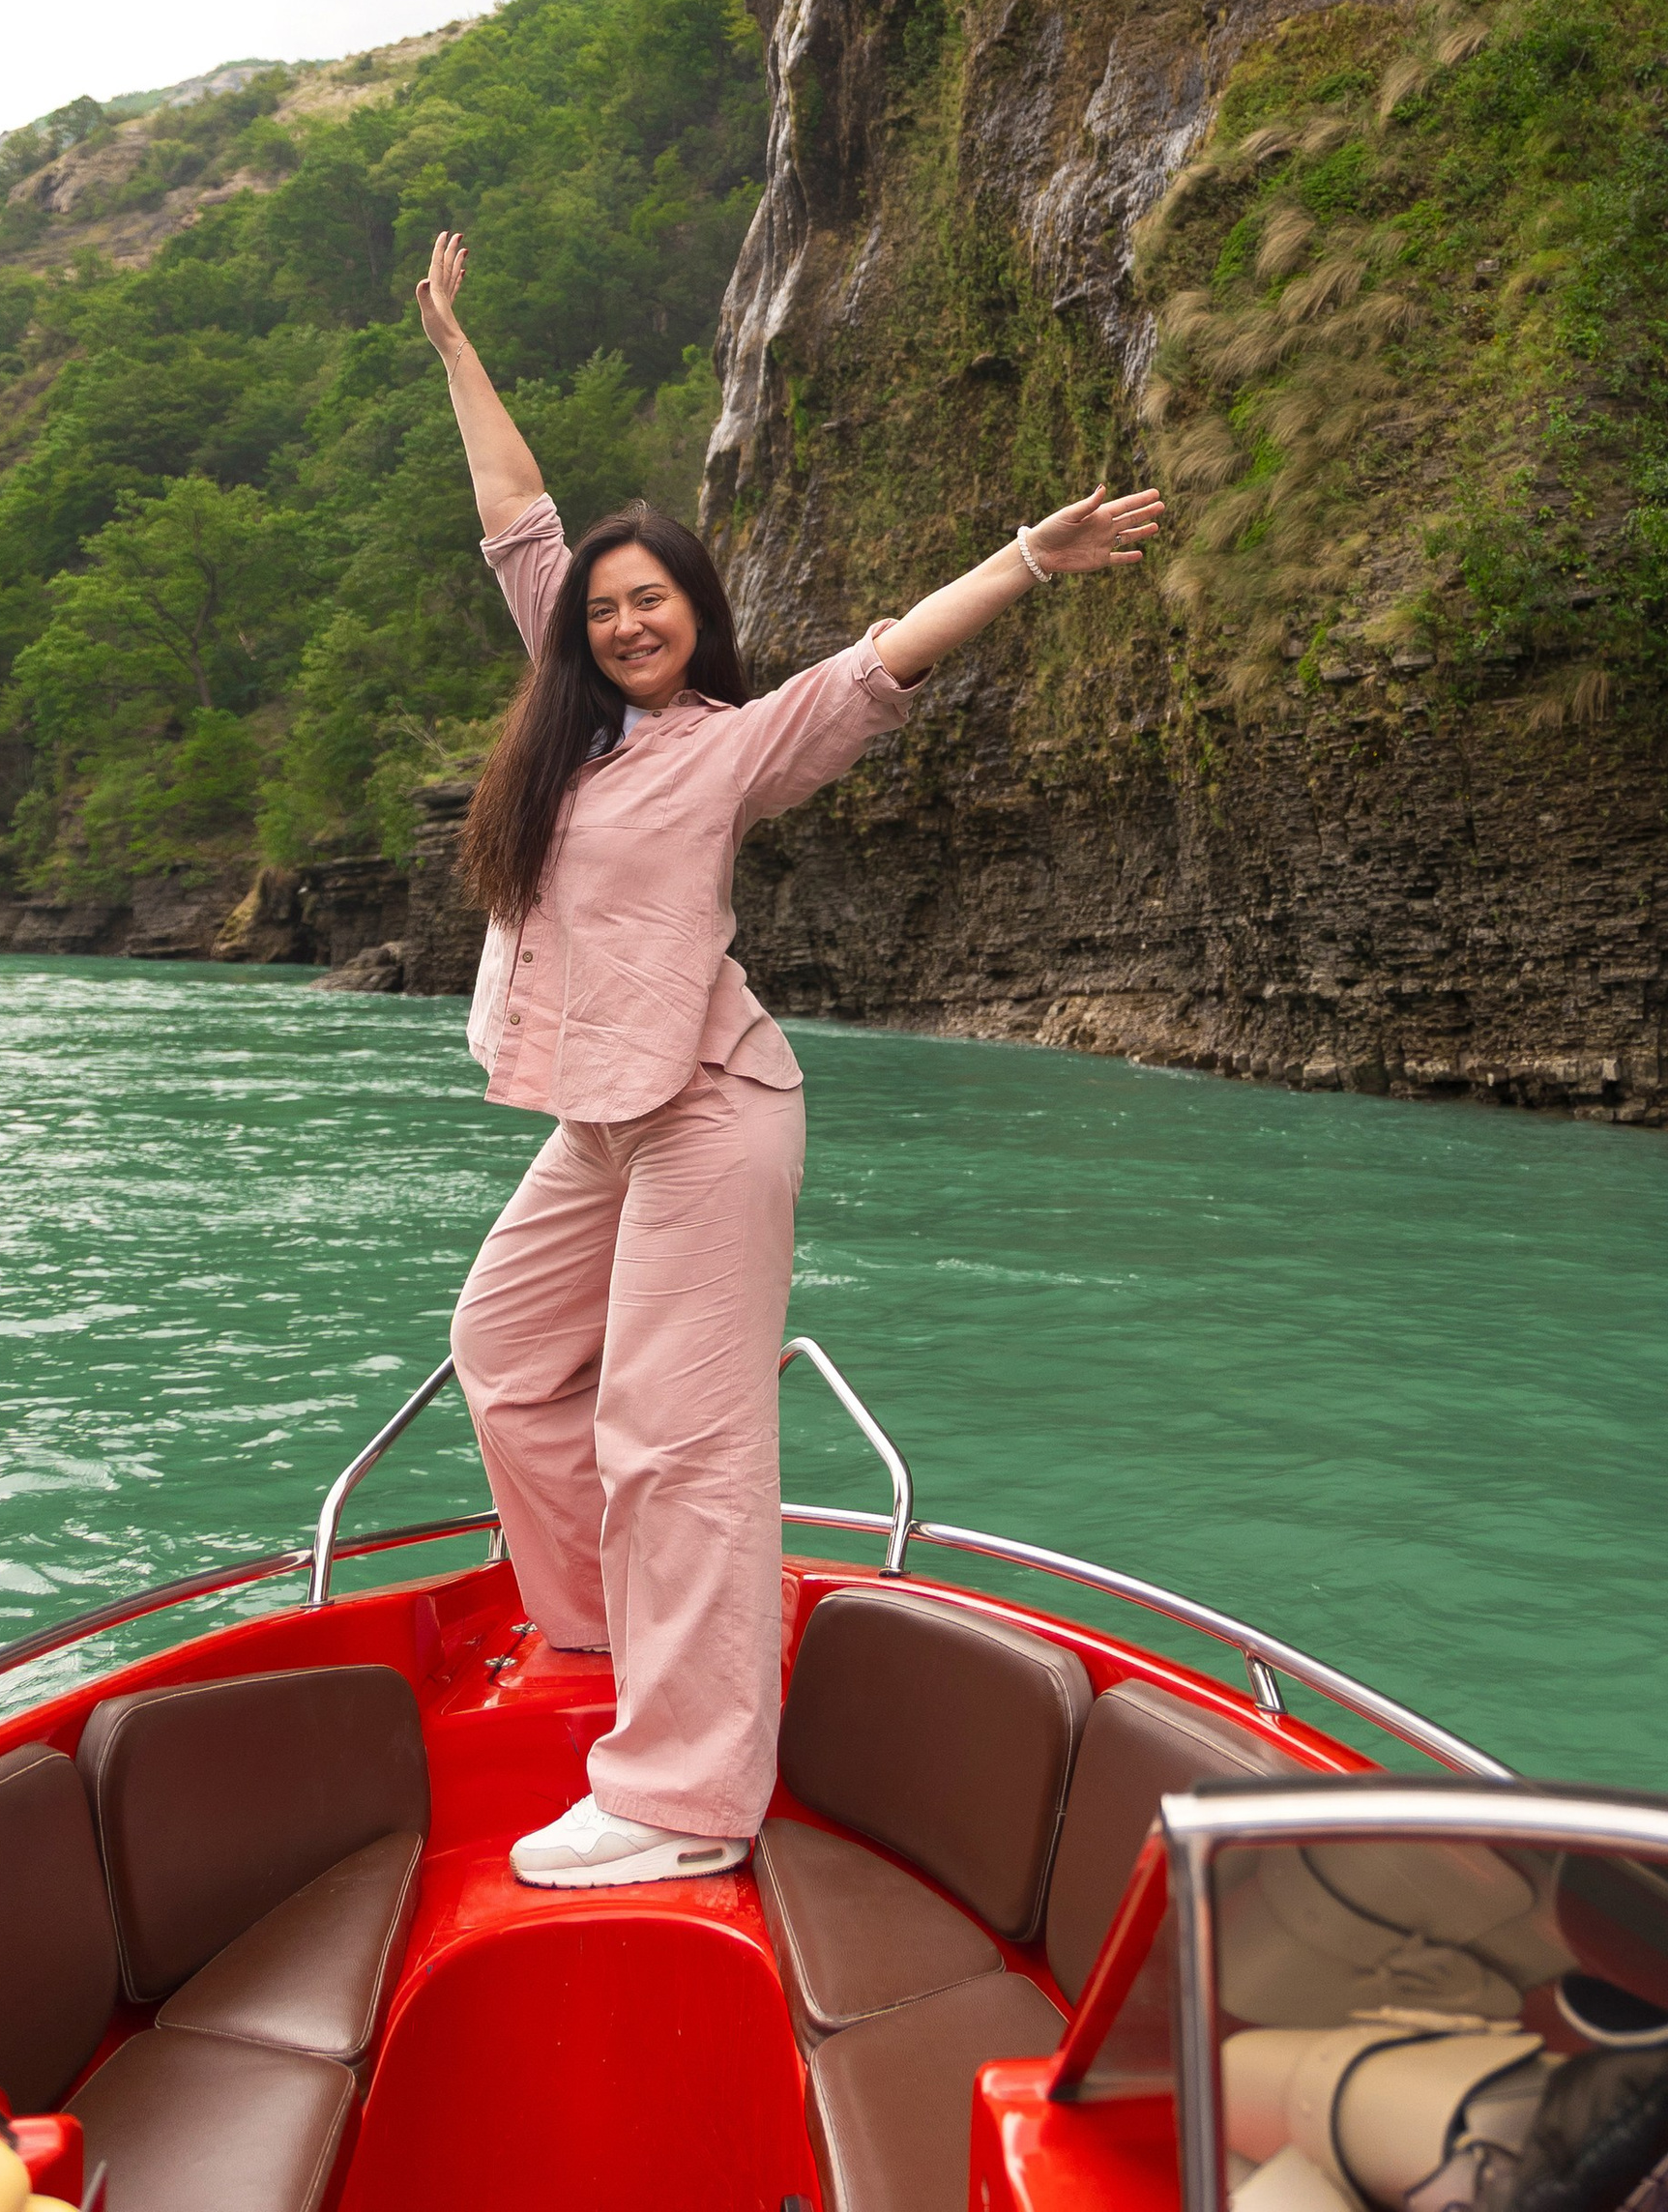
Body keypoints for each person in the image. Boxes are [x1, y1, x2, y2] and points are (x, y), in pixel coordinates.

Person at [414, 228, 1165, 1890]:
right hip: (605, 1120)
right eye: (605, 607)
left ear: (697, 618)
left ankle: (681, 1800)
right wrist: (454, 340)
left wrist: (1029, 561)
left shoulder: (735, 747)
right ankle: (612, 1638)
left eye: (653, 600)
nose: (623, 622)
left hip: (709, 1112)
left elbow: (889, 655)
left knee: (673, 1439)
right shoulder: (567, 715)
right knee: (509, 1353)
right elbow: (515, 514)